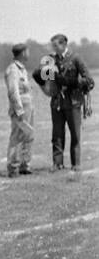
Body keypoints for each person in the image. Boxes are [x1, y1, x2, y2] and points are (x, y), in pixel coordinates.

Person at [32, 33, 93, 173]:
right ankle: (57, 164)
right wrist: (46, 78)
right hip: (57, 103)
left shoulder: (76, 58)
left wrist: (72, 82)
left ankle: (76, 164)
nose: (53, 48)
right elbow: (37, 74)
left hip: (74, 102)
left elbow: (89, 81)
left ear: (64, 44)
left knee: (75, 134)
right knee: (57, 134)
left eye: (55, 45)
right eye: (52, 45)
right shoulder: (51, 60)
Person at [4, 43, 34, 177]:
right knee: (17, 137)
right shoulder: (13, 70)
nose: (29, 54)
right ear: (22, 53)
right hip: (20, 109)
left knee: (28, 135)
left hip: (28, 107)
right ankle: (13, 167)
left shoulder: (22, 69)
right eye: (27, 51)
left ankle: (24, 165)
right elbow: (13, 91)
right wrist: (19, 110)